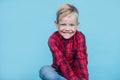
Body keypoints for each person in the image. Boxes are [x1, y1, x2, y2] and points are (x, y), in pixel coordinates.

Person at [39, 3, 89, 80]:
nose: (67, 28)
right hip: (59, 73)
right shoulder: (53, 40)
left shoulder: (80, 37)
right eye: (63, 24)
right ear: (56, 24)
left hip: (76, 74)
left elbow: (81, 60)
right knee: (44, 70)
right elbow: (61, 61)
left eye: (71, 25)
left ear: (77, 25)